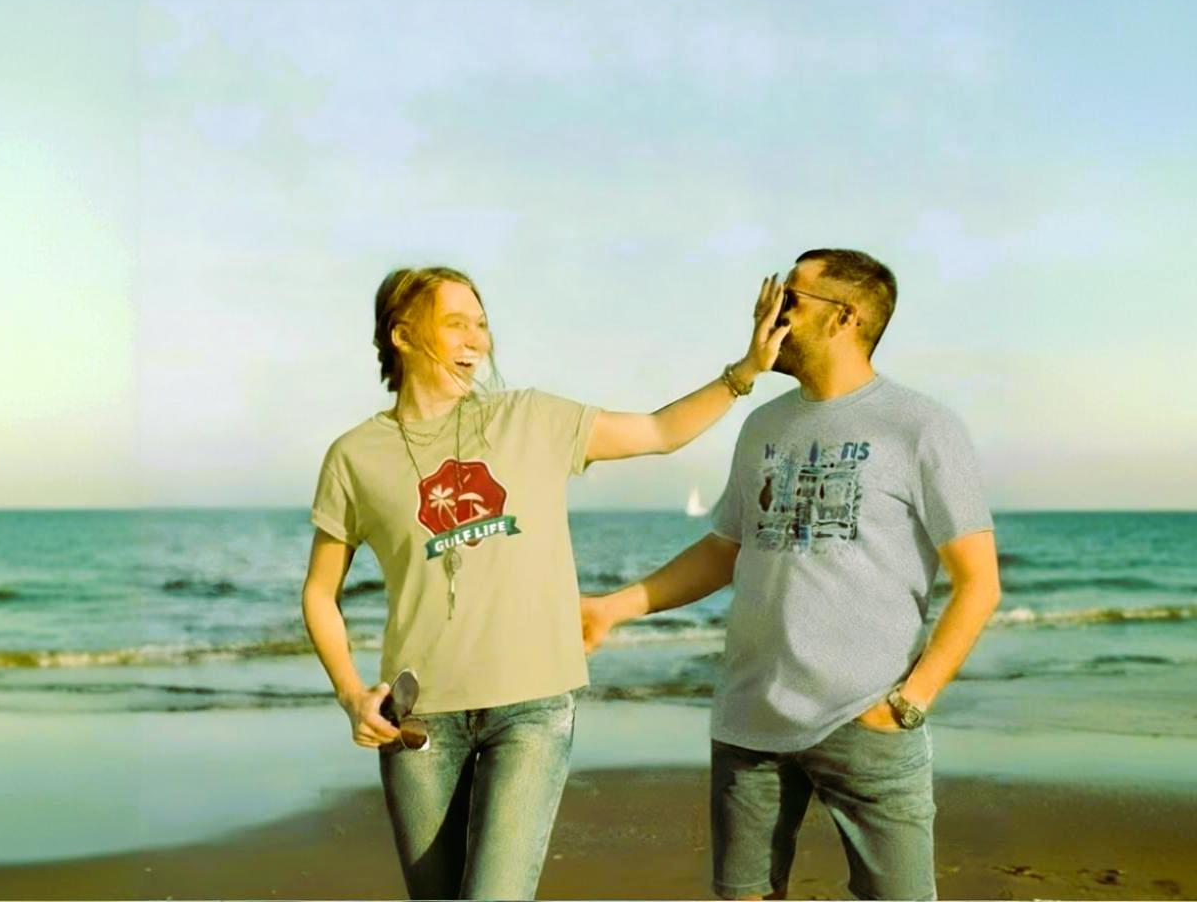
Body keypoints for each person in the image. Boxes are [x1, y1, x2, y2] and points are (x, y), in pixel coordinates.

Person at [301, 265, 787, 901]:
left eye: (481, 323)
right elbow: (319, 593)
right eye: (455, 324)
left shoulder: (528, 417)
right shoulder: (354, 455)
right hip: (418, 718)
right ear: (401, 334)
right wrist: (350, 695)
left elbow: (659, 432)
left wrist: (743, 372)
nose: (476, 339)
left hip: (531, 706)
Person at [582, 249, 1001, 901]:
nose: (768, 313)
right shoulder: (762, 425)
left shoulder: (922, 426)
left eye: (790, 298)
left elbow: (979, 582)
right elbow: (724, 551)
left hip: (866, 715)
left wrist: (911, 702)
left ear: (846, 317)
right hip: (750, 720)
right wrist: (613, 608)